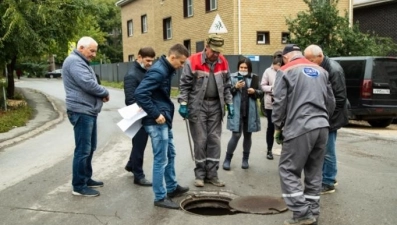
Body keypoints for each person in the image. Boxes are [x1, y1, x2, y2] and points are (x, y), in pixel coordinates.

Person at [272, 44, 335, 225]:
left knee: (288, 169)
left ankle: (301, 213)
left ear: (285, 57)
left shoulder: (285, 71)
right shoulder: (320, 70)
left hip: (300, 126)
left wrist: (278, 127)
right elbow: (330, 101)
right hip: (322, 126)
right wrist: (323, 119)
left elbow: (279, 103)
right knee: (314, 172)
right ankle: (313, 213)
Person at [134, 44, 190, 209]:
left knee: (170, 154)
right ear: (172, 57)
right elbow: (140, 94)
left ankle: (172, 187)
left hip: (164, 120)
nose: (182, 66)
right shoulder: (159, 71)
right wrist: (156, 114)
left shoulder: (165, 69)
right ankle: (160, 197)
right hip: (157, 122)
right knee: (161, 159)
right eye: (181, 62)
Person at [178, 34, 234, 188]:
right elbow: (184, 85)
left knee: (214, 141)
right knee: (200, 140)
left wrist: (230, 103)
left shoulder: (222, 61)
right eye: (214, 51)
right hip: (198, 107)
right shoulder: (193, 61)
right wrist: (183, 103)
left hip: (216, 106)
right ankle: (200, 175)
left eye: (219, 52)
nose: (216, 55)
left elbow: (227, 85)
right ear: (206, 47)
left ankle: (212, 175)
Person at [63, 36, 110, 197]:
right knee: (83, 149)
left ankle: (86, 178)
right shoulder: (74, 61)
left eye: (95, 51)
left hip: (88, 110)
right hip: (81, 110)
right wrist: (104, 92)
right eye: (92, 51)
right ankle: (78, 185)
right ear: (81, 48)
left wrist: (100, 93)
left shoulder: (80, 61)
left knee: (90, 147)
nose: (94, 54)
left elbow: (90, 82)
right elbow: (88, 83)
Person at [304, 44, 348, 194]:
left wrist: (326, 119)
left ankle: (328, 181)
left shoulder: (334, 70)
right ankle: (327, 177)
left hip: (332, 117)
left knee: (328, 150)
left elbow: (340, 99)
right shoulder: (321, 67)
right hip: (325, 115)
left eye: (310, 60)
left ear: (319, 56)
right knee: (323, 149)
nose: (308, 63)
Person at [222, 57, 263, 170]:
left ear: (249, 68)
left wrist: (254, 91)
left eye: (245, 67)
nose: (243, 69)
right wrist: (235, 87)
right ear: (238, 67)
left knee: (248, 135)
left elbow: (261, 93)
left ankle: (245, 159)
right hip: (236, 111)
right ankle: (227, 159)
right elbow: (226, 93)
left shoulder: (254, 78)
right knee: (236, 135)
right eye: (241, 67)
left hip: (250, 111)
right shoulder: (232, 77)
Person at [123, 47, 156, 187]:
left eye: (152, 61)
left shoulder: (144, 71)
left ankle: (131, 164)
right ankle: (138, 175)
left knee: (138, 144)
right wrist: (146, 109)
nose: (150, 63)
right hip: (137, 115)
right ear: (139, 57)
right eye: (148, 60)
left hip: (144, 113)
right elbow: (130, 100)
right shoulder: (132, 75)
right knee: (139, 145)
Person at [260, 53, 283, 160]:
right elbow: (262, 85)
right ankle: (269, 150)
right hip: (270, 104)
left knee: (284, 127)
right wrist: (272, 89)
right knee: (271, 127)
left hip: (283, 104)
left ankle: (285, 150)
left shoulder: (286, 70)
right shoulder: (268, 71)